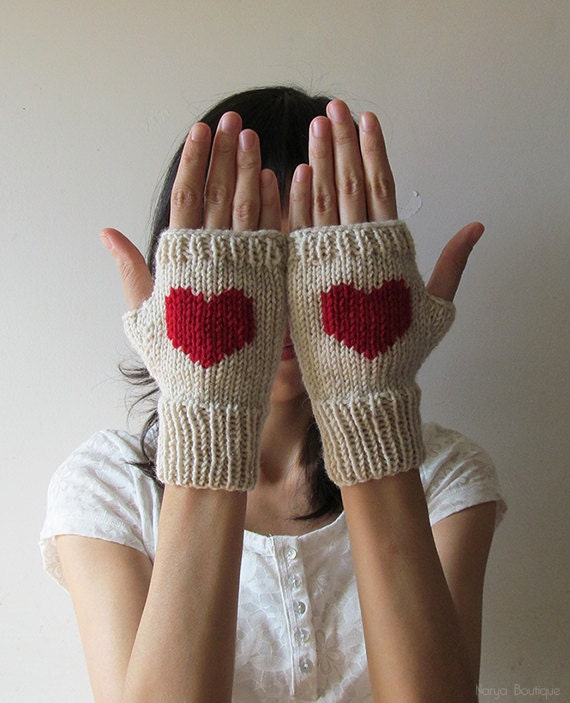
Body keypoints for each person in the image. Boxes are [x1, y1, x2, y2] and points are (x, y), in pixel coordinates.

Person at [40, 86, 507, 702]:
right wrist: (207, 416)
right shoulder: (106, 488)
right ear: (185, 272)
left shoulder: (445, 477)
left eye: (313, 260)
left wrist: (366, 404)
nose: (282, 299)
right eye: (248, 260)